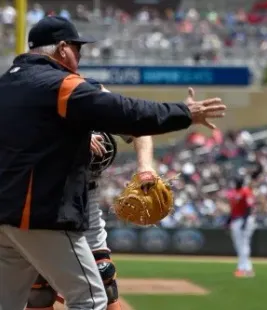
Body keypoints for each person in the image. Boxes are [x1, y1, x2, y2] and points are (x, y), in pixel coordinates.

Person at [0, 16, 225, 310]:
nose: (80, 55)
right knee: (91, 299)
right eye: (77, 49)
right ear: (63, 48)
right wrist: (183, 112)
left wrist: (80, 139)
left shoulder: (7, 85)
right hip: (42, 212)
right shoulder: (64, 86)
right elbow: (128, 112)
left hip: (7, 215)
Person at [25, 80, 154, 310]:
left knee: (106, 278)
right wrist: (75, 139)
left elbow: (139, 127)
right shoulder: (35, 93)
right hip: (40, 198)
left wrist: (145, 167)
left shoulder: (94, 93)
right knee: (39, 290)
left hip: (85, 197)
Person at [226, 177, 256, 277]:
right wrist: (228, 221)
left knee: (244, 244)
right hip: (236, 220)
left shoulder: (246, 191)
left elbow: (249, 207)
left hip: (245, 219)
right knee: (239, 244)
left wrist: (245, 221)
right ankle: (246, 268)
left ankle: (243, 268)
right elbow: (233, 209)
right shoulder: (234, 193)